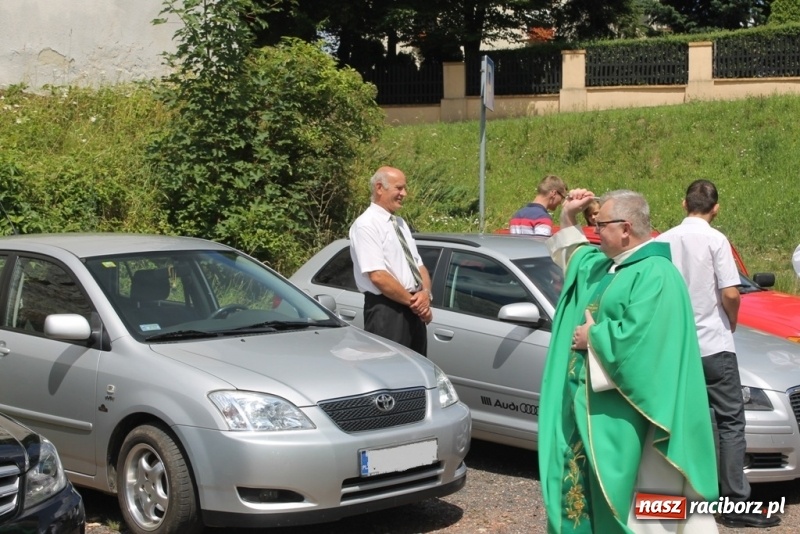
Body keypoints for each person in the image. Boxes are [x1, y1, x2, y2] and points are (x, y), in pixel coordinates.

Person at [539, 189, 719, 533]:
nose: (594, 231)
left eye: (600, 224)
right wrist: (567, 217)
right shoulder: (613, 266)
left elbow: (644, 342)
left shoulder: (656, 274)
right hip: (599, 409)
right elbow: (577, 260)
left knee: (647, 503)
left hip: (640, 419)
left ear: (625, 228)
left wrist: (593, 338)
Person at [656, 180, 779, 528]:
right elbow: (731, 292)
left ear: (683, 204)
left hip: (677, 347)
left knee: (682, 422)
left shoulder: (663, 240)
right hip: (713, 344)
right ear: (716, 208)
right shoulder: (715, 239)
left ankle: (682, 498)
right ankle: (734, 503)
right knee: (730, 424)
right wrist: (732, 320)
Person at [349, 166, 433, 355]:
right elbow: (378, 276)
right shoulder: (366, 225)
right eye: (399, 188)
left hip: (411, 307)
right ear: (380, 188)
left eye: (404, 188)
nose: (404, 193)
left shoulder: (400, 224)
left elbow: (419, 266)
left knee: (417, 370)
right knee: (390, 371)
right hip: (387, 311)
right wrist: (416, 304)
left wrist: (425, 294)